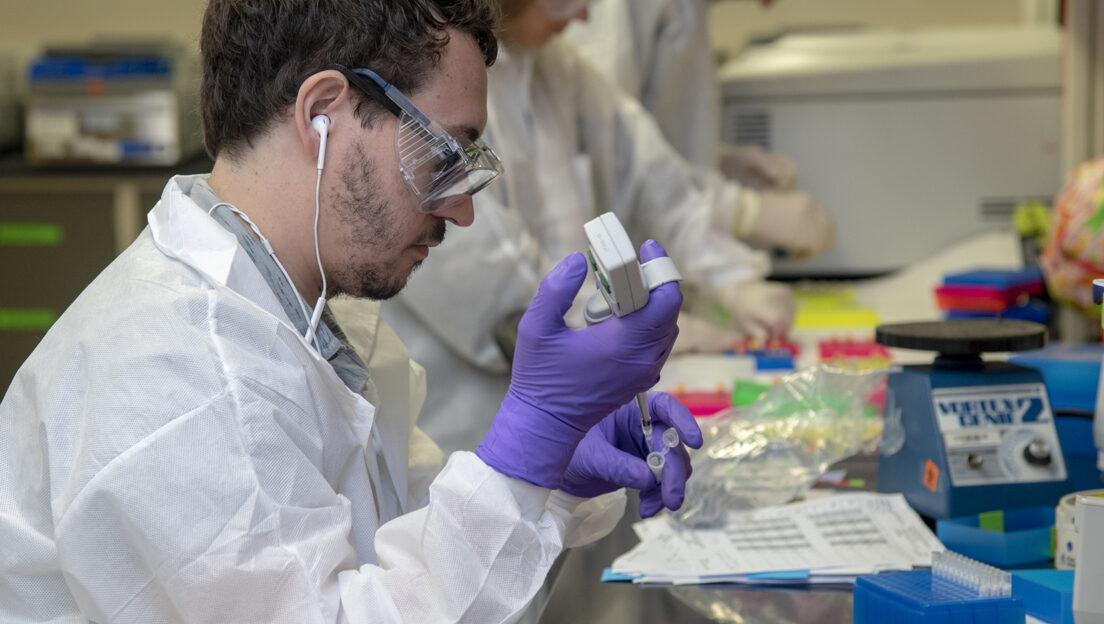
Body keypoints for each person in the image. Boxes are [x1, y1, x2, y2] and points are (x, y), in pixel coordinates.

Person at [0, 1, 702, 622]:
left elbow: (415, 565)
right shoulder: (173, 375)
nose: (460, 209)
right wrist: (530, 444)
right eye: (443, 159)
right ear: (321, 113)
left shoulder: (308, 320)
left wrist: (548, 473)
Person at [386, 0, 833, 456]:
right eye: (566, 2)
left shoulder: (558, 70)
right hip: (462, 421)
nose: (584, 19)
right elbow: (487, 275)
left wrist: (731, 278)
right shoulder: (435, 79)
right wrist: (618, 325)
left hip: (572, 405)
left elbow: (651, 173)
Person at [563, 0, 832, 252]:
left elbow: (640, 130)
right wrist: (741, 209)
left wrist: (715, 159)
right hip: (613, 266)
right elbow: (602, 154)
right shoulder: (623, 8)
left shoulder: (688, 7)